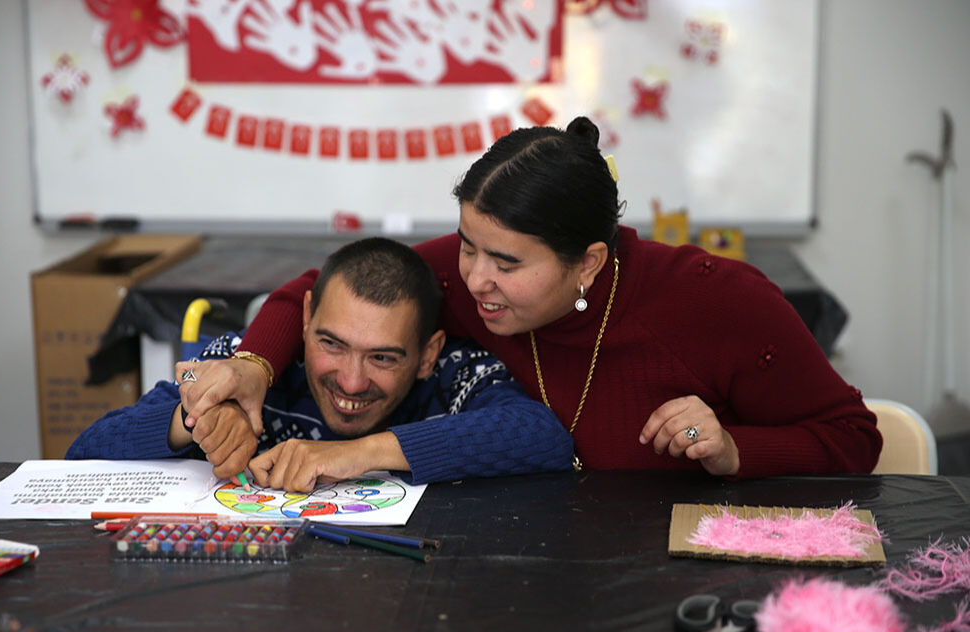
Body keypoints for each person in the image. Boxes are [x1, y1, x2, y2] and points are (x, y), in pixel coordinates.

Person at [178, 117, 882, 479]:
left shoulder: (719, 303)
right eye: (467, 244)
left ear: (590, 263)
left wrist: (732, 449)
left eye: (507, 263)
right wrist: (255, 367)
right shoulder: (462, 277)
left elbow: (853, 439)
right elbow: (315, 290)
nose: (474, 278)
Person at [66, 237, 574, 491]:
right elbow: (82, 454)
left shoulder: (455, 374)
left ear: (428, 354)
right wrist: (193, 420)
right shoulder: (246, 370)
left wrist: (353, 454)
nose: (351, 380)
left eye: (382, 357)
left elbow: (544, 436)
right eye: (331, 344)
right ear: (305, 321)